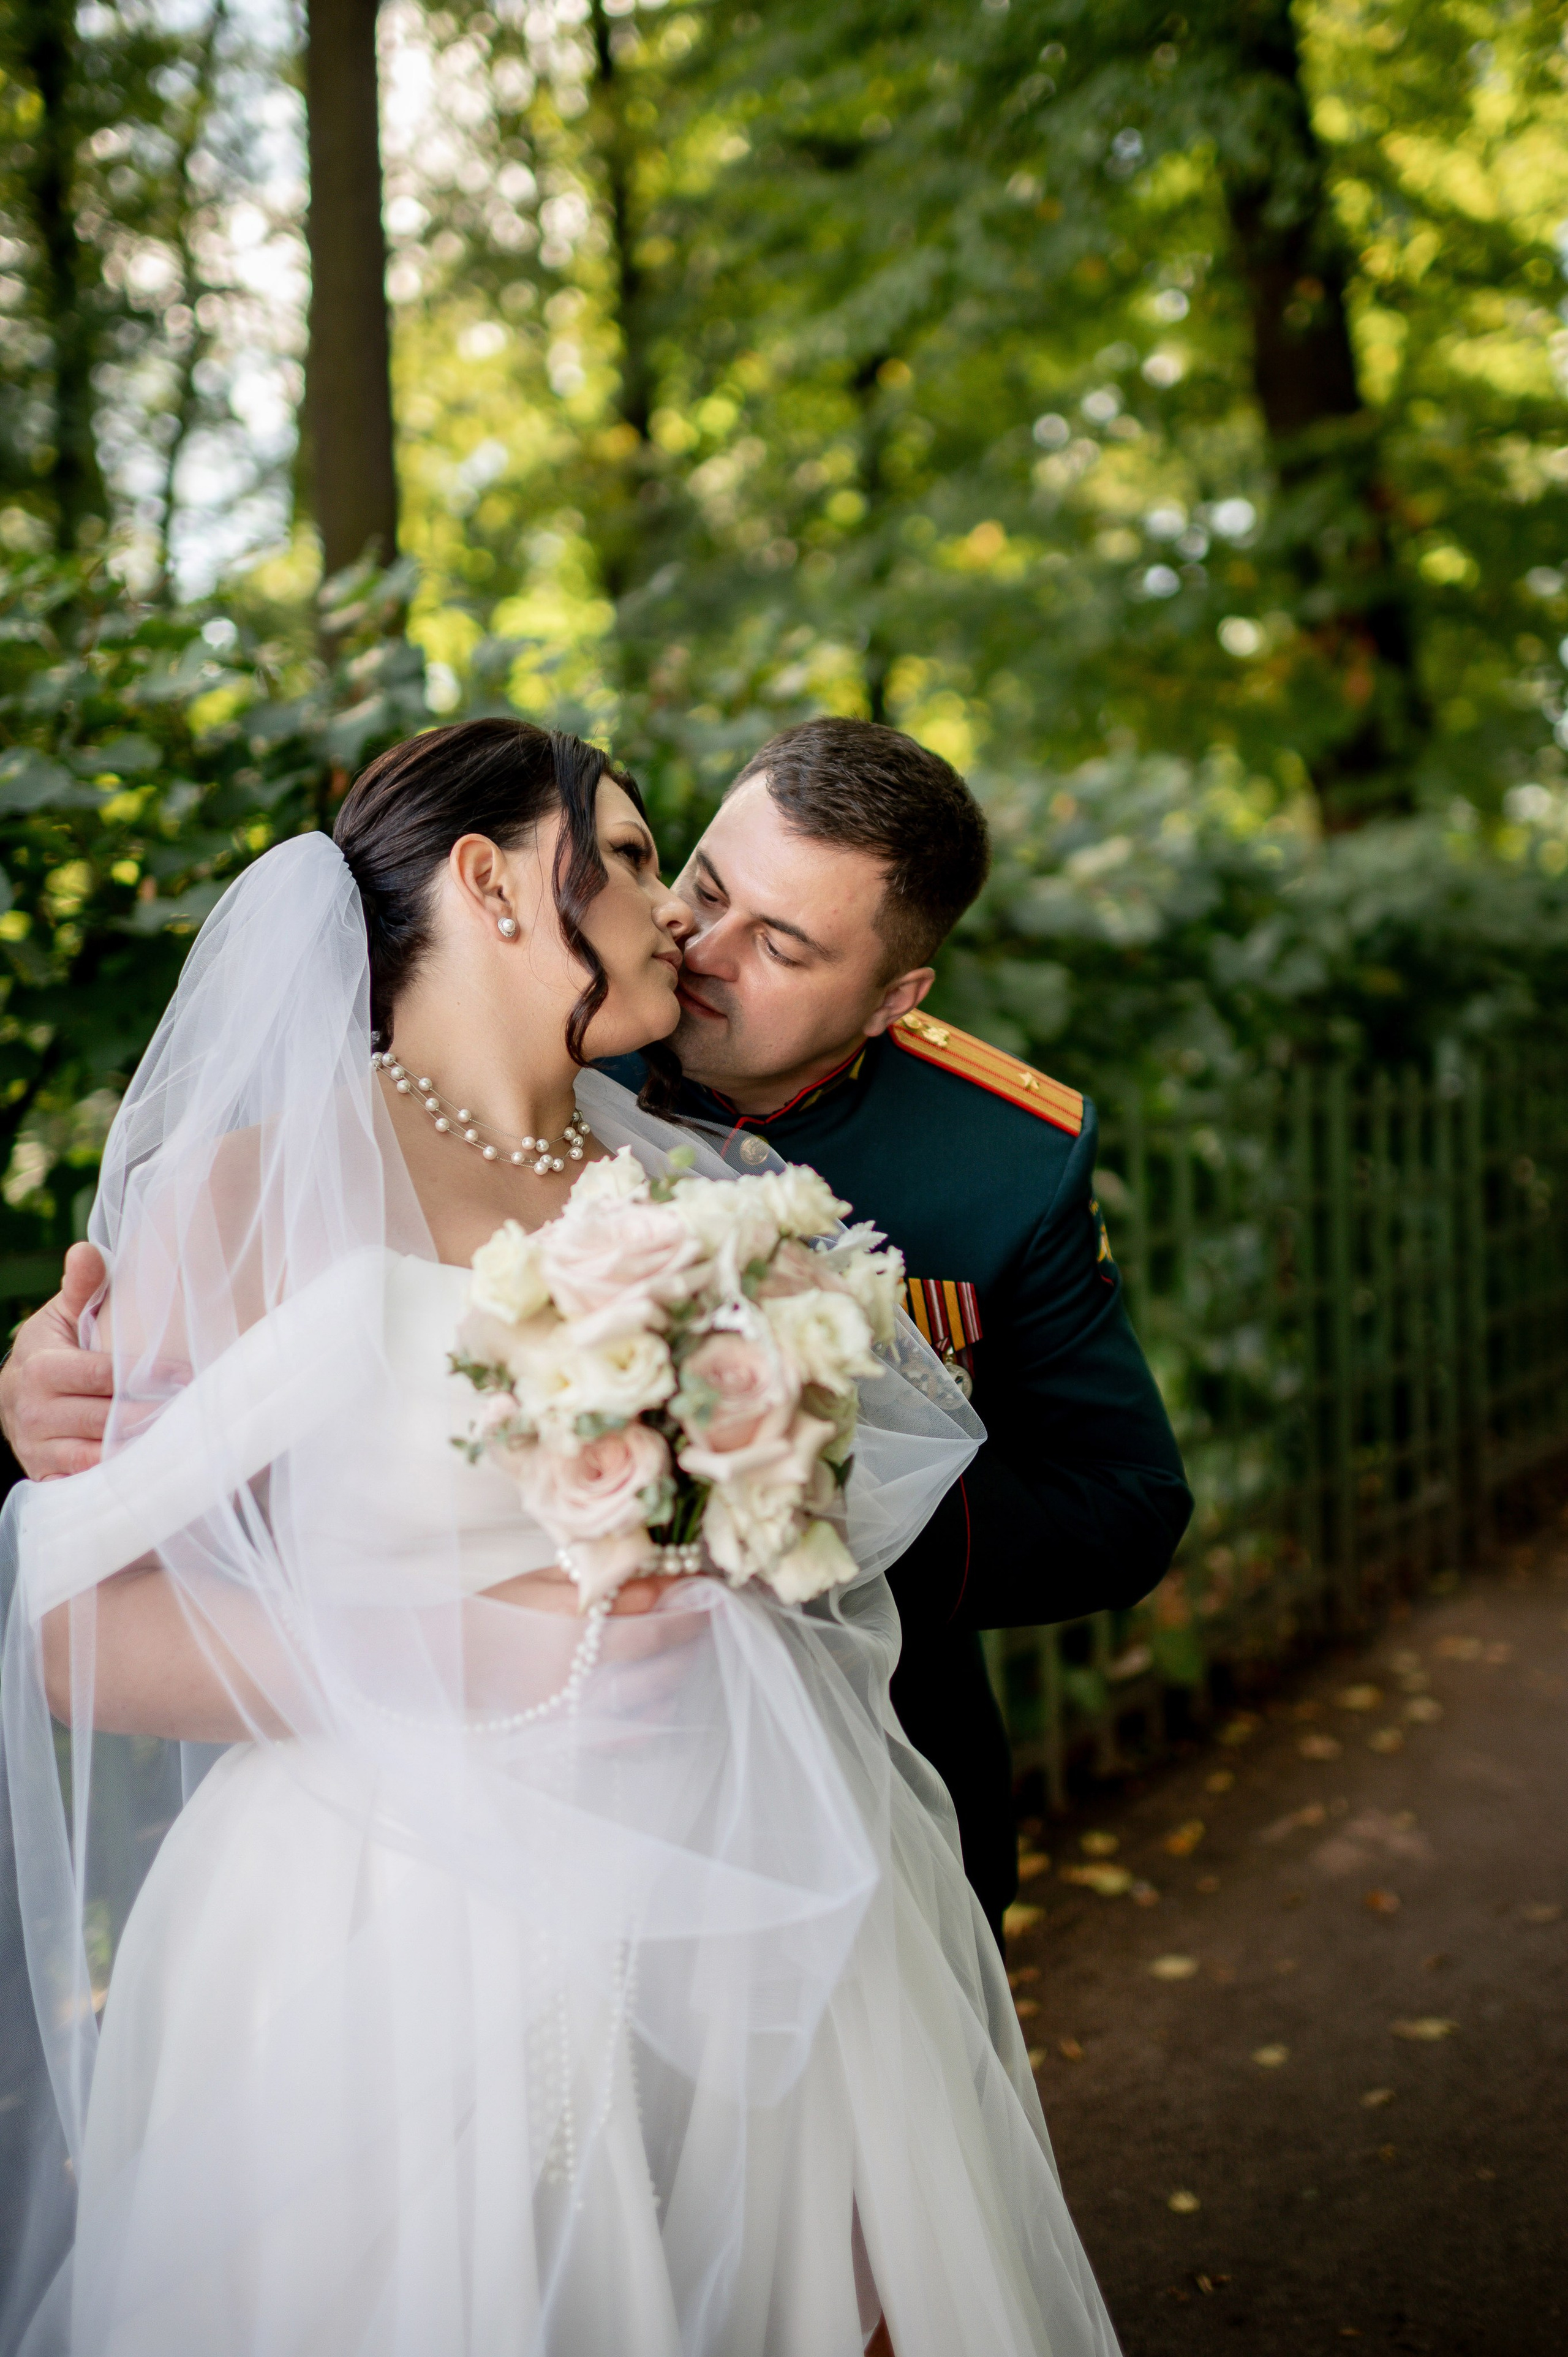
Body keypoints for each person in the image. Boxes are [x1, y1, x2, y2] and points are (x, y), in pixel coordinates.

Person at [0, 719, 1120, 2356]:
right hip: (385, 1920)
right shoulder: (248, 1190)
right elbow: (68, 1627)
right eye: (648, 857)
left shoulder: (704, 1184)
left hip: (754, 1879)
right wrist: (488, 1648)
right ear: (493, 883)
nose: (676, 914)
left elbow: (996, 1502)